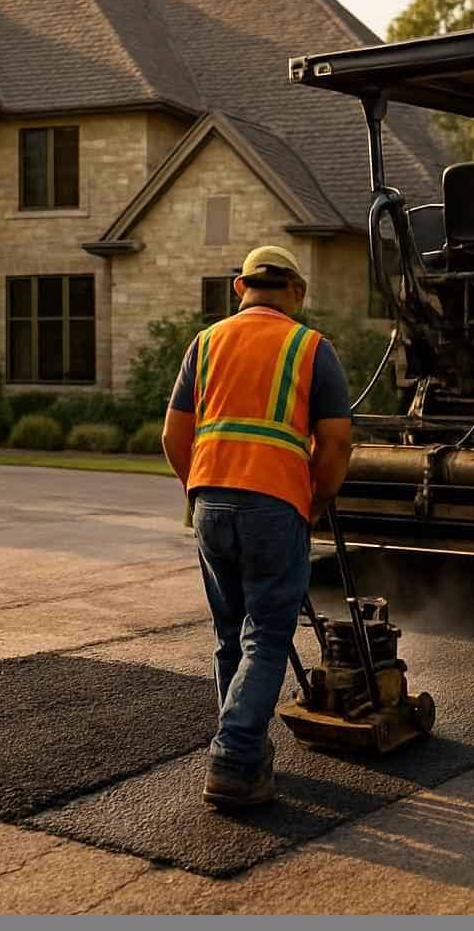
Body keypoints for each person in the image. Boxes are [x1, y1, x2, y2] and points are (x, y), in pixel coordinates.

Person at [161, 244, 353, 809]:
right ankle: (236, 756)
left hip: (210, 505)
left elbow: (174, 438)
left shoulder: (205, 343)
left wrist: (199, 490)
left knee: (231, 634)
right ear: (297, 293)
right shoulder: (310, 347)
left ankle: (242, 746)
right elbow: (337, 442)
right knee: (268, 635)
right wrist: (316, 499)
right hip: (275, 507)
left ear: (241, 289)